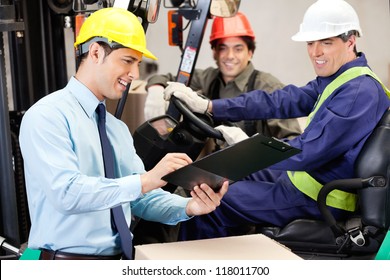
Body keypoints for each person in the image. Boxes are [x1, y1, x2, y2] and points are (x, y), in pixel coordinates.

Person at [163, 0, 390, 240]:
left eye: (326, 43)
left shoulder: (357, 92)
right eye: (311, 43)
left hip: (318, 195)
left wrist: (248, 147)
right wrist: (210, 106)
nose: (315, 52)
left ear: (350, 41)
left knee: (213, 203)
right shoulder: (341, 79)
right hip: (303, 179)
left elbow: (307, 152)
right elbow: (281, 101)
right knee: (212, 175)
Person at [18, 7, 228, 260]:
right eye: (128, 61)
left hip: (120, 260)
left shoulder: (115, 129)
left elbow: (140, 199)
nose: (135, 74)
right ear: (95, 52)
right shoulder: (48, 115)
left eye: (138, 63)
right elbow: (67, 193)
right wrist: (146, 180)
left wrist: (189, 206)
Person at [145, 12, 302, 146]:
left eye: (238, 49)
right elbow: (171, 79)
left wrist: (254, 149)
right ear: (214, 53)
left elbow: (292, 142)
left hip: (258, 171)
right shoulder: (208, 78)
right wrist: (155, 88)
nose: (230, 56)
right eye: (223, 48)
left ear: (250, 52)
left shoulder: (268, 87)